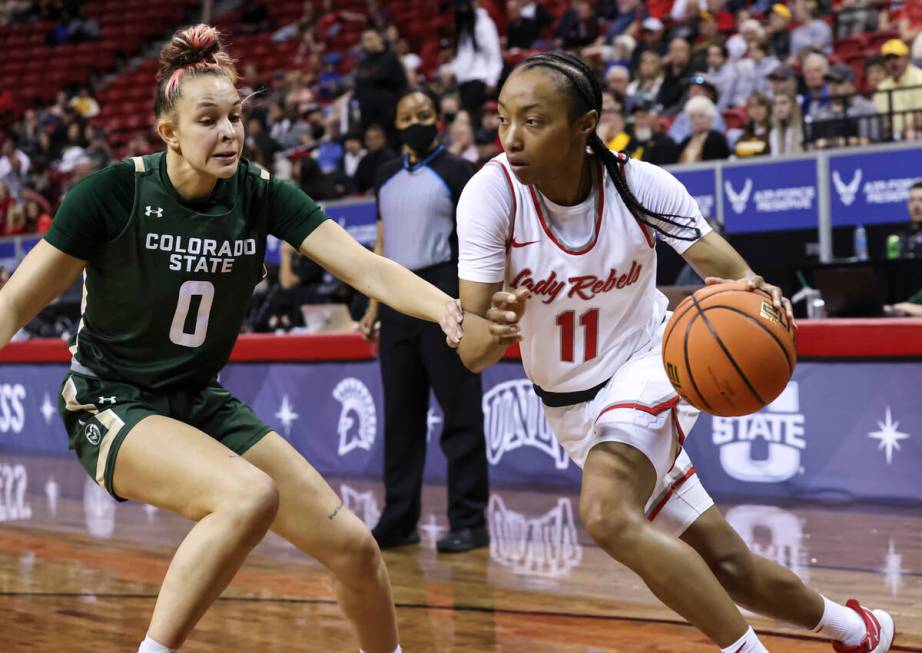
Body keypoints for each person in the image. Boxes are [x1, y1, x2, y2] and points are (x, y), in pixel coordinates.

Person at [0, 25, 465, 653]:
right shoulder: (113, 193)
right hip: (110, 402)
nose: (228, 133)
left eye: (236, 118)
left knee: (355, 549)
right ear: (169, 132)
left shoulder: (261, 193)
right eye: (208, 120)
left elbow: (365, 267)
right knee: (248, 496)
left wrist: (447, 307)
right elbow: (15, 305)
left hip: (198, 398)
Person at [455, 50, 894, 653]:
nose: (511, 139)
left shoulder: (640, 185)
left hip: (648, 367)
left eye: (533, 121)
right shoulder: (489, 196)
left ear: (585, 126)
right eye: (502, 120)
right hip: (570, 410)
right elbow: (472, 355)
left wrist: (758, 291)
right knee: (730, 567)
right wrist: (493, 328)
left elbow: (730, 273)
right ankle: (862, 631)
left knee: (607, 516)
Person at [360, 87, 490, 553]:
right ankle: (399, 520)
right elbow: (380, 242)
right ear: (396, 123)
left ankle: (469, 521)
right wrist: (373, 307)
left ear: (437, 118)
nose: (416, 120)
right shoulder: (385, 174)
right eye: (407, 114)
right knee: (401, 420)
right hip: (395, 300)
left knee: (460, 416)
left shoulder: (458, 171)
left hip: (444, 296)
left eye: (425, 113)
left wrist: (473, 306)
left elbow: (478, 242)